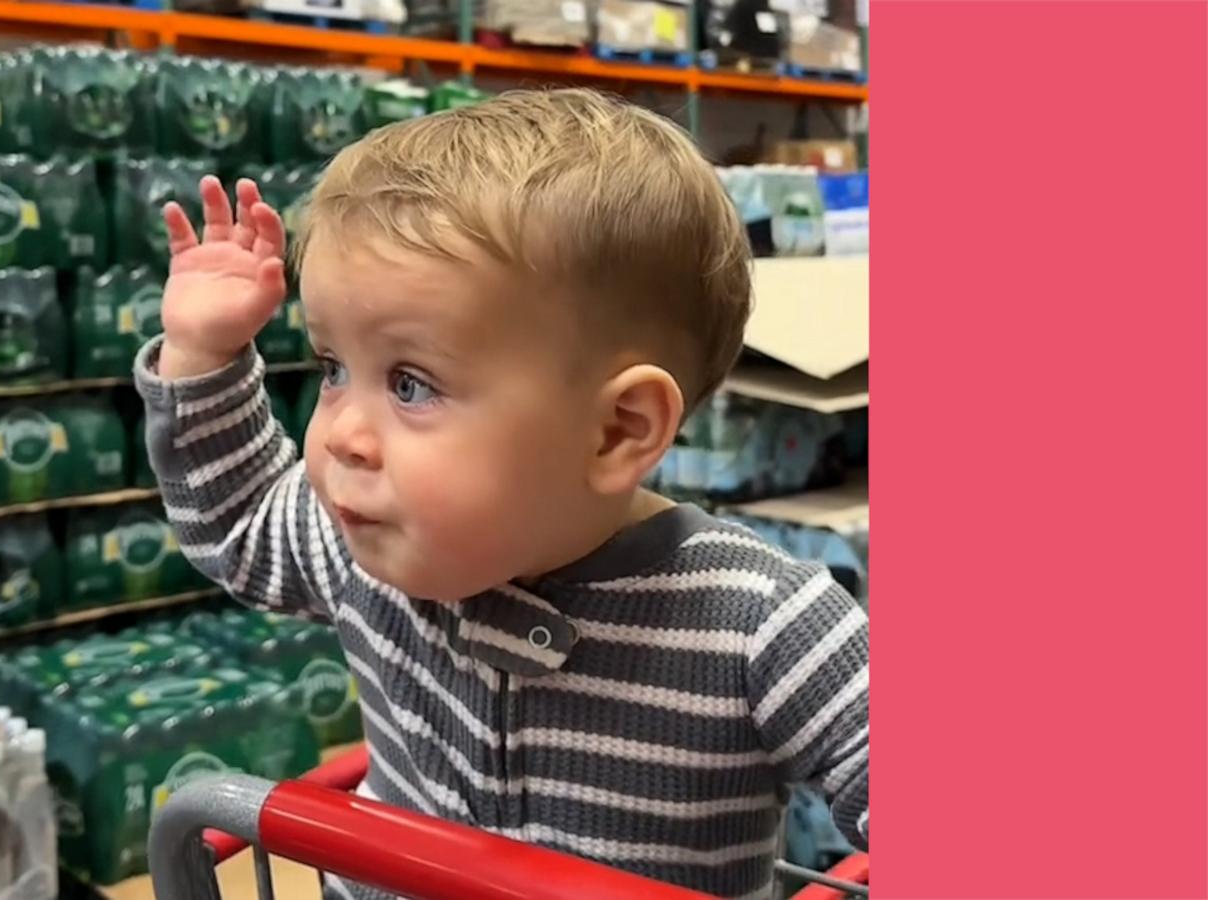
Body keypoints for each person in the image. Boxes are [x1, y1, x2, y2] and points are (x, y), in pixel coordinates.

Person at [133, 87, 868, 900]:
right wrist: (202, 357)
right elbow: (238, 525)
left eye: (411, 385)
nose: (340, 432)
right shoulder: (363, 548)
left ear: (618, 430)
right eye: (334, 369)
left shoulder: (761, 624)